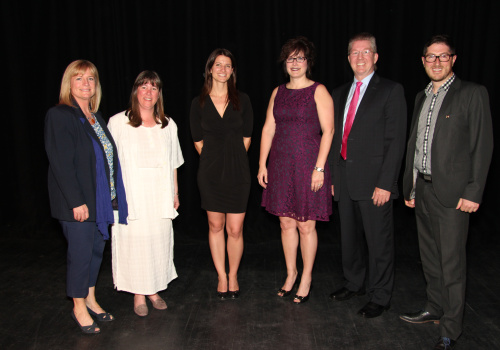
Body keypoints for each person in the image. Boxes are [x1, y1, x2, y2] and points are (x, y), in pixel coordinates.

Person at [399, 35, 493, 350]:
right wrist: (410, 184)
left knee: (452, 262)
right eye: (430, 57)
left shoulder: (472, 93)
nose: (436, 62)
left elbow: (482, 146)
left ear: (453, 59)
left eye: (443, 56)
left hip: (454, 195)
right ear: (423, 61)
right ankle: (434, 308)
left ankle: (451, 328)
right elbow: (416, 146)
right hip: (423, 190)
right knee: (430, 258)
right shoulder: (421, 96)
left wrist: (474, 191)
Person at [44, 60, 128, 334]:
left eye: (90, 79)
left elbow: (105, 158)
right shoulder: (60, 115)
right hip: (77, 202)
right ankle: (78, 305)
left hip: (99, 200)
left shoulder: (95, 116)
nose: (85, 84)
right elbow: (61, 163)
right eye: (79, 79)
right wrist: (75, 201)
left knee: (94, 252)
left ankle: (90, 298)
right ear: (69, 84)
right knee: (80, 254)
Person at [327, 33, 407, 317]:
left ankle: (380, 295)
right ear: (348, 58)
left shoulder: (390, 90)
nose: (360, 57)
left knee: (378, 242)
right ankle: (354, 282)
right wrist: (334, 178)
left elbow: (395, 141)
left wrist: (387, 183)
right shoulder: (338, 94)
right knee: (348, 239)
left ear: (375, 57)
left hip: (376, 183)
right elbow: (336, 139)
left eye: (366, 52)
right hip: (345, 178)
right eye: (354, 53)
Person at [258, 36, 334, 304]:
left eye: (300, 57)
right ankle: (291, 274)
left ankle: (306, 277)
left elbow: (329, 131)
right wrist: (261, 163)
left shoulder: (319, 90)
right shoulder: (278, 92)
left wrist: (320, 167)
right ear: (284, 62)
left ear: (308, 62)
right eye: (290, 58)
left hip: (308, 166)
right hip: (280, 165)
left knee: (305, 225)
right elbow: (268, 128)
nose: (295, 63)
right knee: (285, 222)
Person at [108, 71, 184, 317]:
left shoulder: (168, 124)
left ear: (159, 93)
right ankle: (138, 295)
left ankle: (153, 290)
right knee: (135, 242)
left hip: (159, 195)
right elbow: (108, 163)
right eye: (144, 87)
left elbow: (173, 161)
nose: (148, 92)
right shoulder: (118, 122)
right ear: (136, 91)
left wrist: (175, 192)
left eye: (154, 88)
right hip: (132, 196)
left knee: (157, 241)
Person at [190, 49, 253, 299]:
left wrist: (233, 159)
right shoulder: (198, 103)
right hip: (210, 174)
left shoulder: (243, 100)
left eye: (228, 66)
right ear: (210, 69)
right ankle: (221, 276)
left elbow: (247, 138)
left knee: (235, 229)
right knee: (215, 226)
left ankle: (234, 274)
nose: (223, 69)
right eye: (218, 65)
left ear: (232, 71)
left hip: (239, 173)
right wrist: (216, 162)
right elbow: (197, 141)